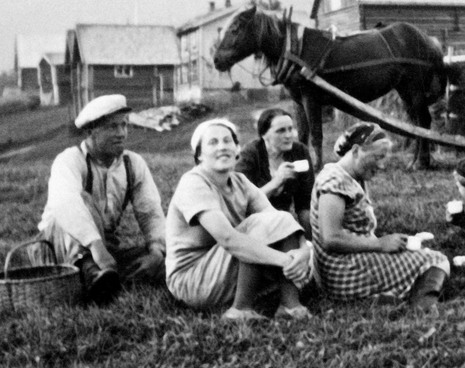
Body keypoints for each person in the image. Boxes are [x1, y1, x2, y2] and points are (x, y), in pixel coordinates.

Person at [164, 118, 312, 321]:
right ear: (199, 155)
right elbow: (228, 239)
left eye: (227, 141)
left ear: (237, 149)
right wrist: (286, 261)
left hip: (224, 269)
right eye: (213, 143)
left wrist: (303, 251)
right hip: (193, 279)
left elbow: (280, 220)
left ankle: (290, 306)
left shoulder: (239, 181)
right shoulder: (193, 183)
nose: (222, 147)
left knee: (278, 217)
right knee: (255, 226)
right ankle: (240, 310)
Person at [36, 94, 166, 305]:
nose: (121, 133)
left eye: (124, 125)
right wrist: (96, 248)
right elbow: (66, 205)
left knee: (166, 260)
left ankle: (106, 278)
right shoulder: (69, 160)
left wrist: (156, 251)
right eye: (112, 127)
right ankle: (92, 275)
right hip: (59, 248)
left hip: (105, 250)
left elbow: (150, 212)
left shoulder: (133, 164)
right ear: (90, 131)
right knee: (81, 201)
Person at [311, 122, 450, 312]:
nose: (382, 165)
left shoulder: (350, 176)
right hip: (342, 271)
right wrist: (380, 244)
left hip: (348, 262)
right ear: (356, 150)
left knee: (421, 253)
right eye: (378, 157)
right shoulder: (334, 181)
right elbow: (330, 238)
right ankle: (423, 305)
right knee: (435, 259)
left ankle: (388, 297)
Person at [234, 108, 315, 239]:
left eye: (290, 129)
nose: (289, 135)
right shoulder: (250, 156)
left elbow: (305, 204)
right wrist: (276, 182)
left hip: (283, 222)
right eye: (281, 131)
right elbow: (243, 205)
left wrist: (310, 240)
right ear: (264, 134)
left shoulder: (299, 152)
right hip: (250, 225)